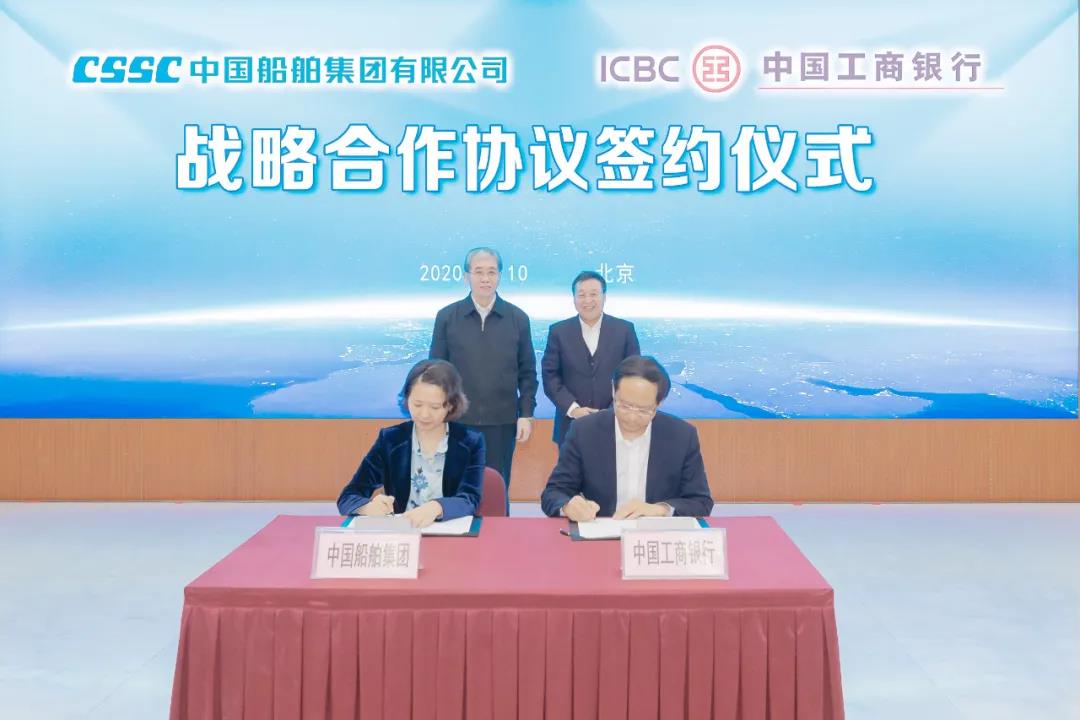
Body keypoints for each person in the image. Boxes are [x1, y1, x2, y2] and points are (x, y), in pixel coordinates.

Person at [541, 355, 714, 520]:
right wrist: (568, 506)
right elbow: (554, 493)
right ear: (613, 390)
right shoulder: (584, 431)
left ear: (659, 402)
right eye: (624, 405)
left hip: (658, 534)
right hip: (601, 532)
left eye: (643, 410)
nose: (632, 416)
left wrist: (660, 510)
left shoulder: (681, 436)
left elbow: (701, 502)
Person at [429, 247, 537, 499]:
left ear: (500, 276)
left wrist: (526, 414)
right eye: (479, 272)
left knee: (495, 489)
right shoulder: (447, 317)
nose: (485, 278)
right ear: (466, 276)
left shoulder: (517, 318)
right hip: (457, 421)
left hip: (502, 423)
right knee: (455, 489)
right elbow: (435, 373)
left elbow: (528, 373)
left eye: (491, 272)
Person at [337, 359, 484, 527]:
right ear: (407, 399)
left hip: (448, 533)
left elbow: (470, 499)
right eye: (417, 404)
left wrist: (437, 507)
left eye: (435, 407)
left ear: (450, 405)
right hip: (402, 534)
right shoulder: (390, 439)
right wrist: (368, 507)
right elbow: (348, 497)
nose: (424, 414)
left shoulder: (470, 442)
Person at [541, 270, 640, 445]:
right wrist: (573, 409)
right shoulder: (559, 331)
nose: (587, 300)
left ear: (604, 297)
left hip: (616, 426)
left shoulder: (624, 330)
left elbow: (634, 376)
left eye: (594, 294)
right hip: (570, 426)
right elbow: (550, 376)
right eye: (581, 295)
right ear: (574, 299)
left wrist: (612, 412)